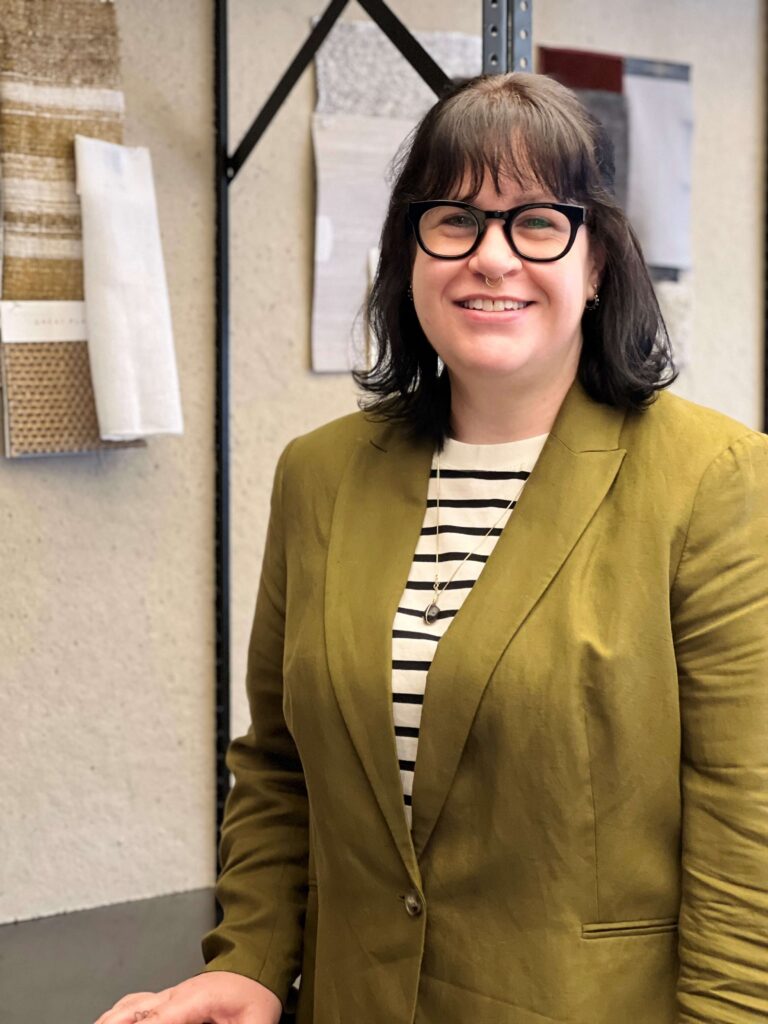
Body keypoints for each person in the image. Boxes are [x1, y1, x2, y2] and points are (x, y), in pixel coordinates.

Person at [96, 72, 768, 1024]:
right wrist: (249, 960)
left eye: (537, 222)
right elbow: (281, 767)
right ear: (409, 254)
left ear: (598, 263)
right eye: (453, 219)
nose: (491, 258)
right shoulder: (320, 476)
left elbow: (748, 826)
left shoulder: (714, 480)